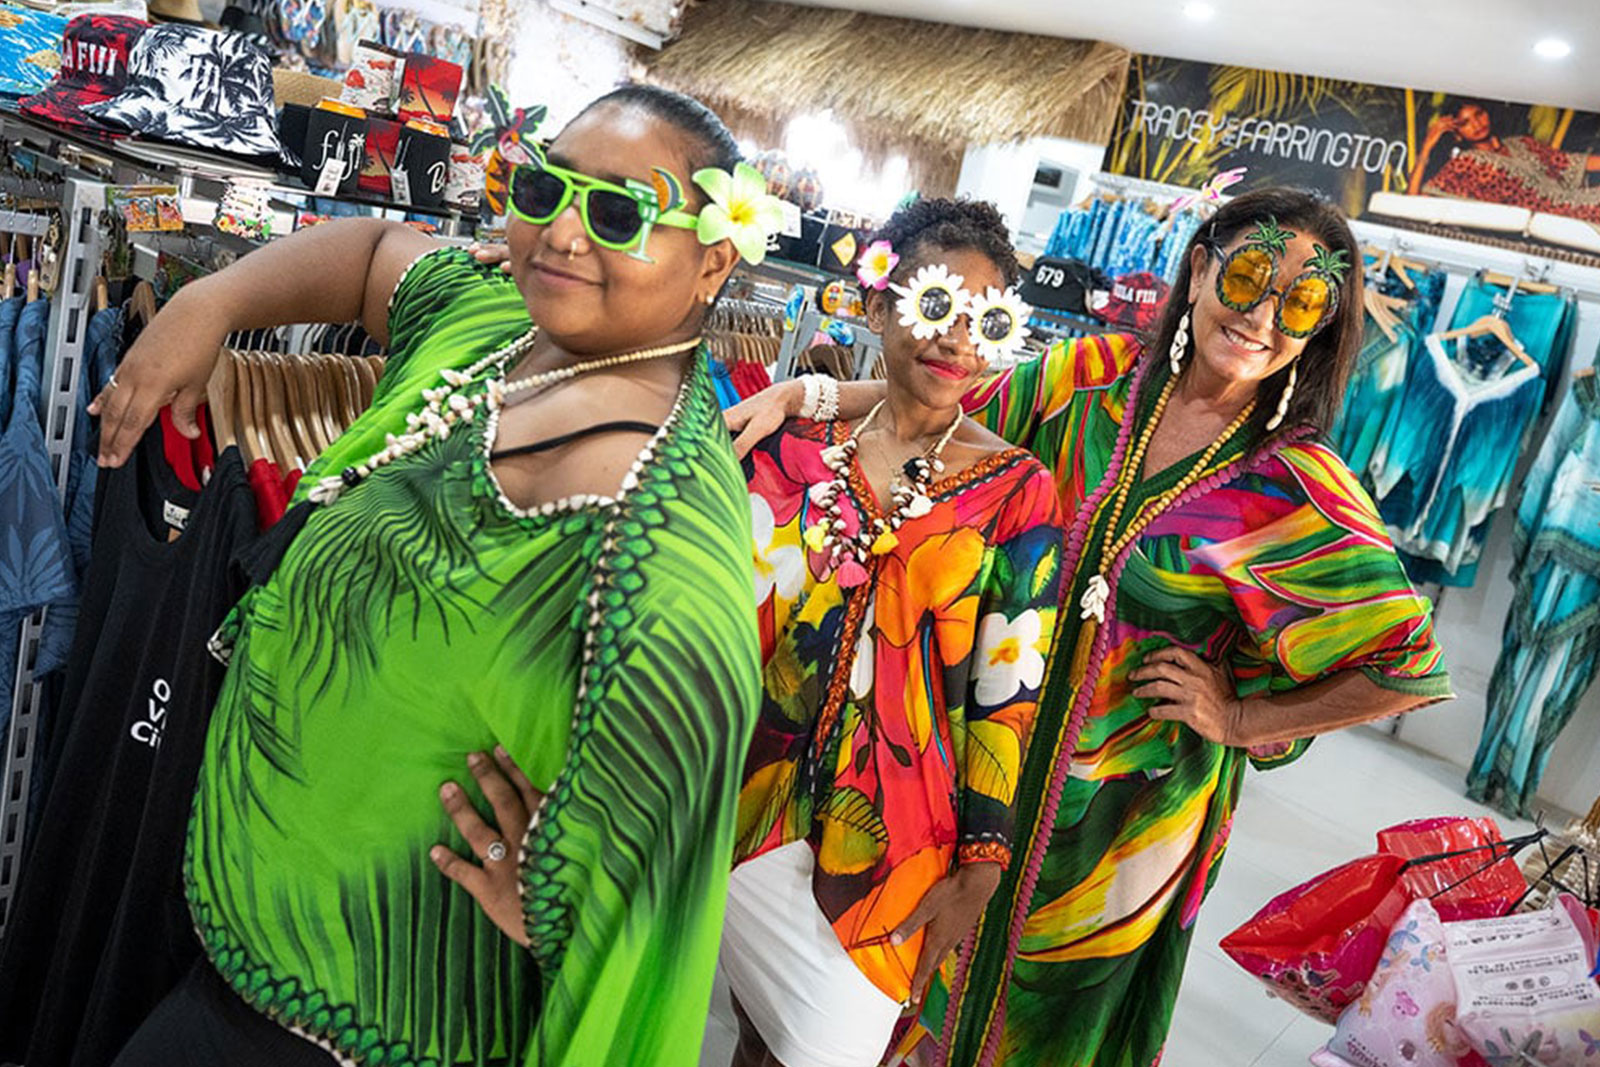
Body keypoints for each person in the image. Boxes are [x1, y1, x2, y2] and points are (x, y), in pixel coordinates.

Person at [94, 84, 773, 1067]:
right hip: (218, 936)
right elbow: (373, 253)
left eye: (619, 211)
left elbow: (655, 913)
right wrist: (212, 299)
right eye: (544, 189)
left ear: (712, 258)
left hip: (368, 1031)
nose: (562, 232)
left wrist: (565, 910)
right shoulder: (495, 331)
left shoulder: (657, 544)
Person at [726, 187, 1453, 1067]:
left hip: (1119, 830)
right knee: (908, 998)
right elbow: (943, 391)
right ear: (1200, 266)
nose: (1261, 316)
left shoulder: (1294, 484)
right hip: (971, 773)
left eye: (1300, 302)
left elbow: (1405, 665)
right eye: (1252, 275)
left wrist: (1240, 721)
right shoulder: (1093, 374)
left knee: (1047, 1031)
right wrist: (814, 390)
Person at [721, 199, 1064, 1067]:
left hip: (898, 827)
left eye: (984, 319)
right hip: (734, 792)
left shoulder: (1017, 492)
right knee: (745, 1038)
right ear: (877, 307)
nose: (955, 341)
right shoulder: (789, 437)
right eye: (934, 305)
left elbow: (1007, 694)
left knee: (833, 1045)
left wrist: (982, 862)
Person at [1407, 102, 1600, 221]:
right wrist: (1427, 145)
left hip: (1573, 199)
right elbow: (1413, 203)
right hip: (1552, 214)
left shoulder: (1521, 143)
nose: (1476, 124)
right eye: (1465, 123)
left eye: (1479, 114)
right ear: (1457, 135)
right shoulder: (1468, 163)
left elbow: (1571, 162)